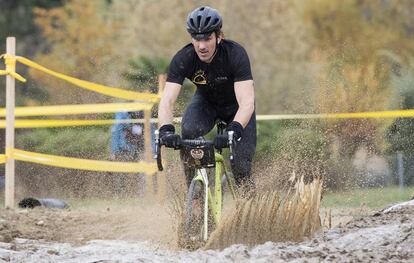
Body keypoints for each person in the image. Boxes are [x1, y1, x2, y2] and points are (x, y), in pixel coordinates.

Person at [157, 6, 256, 193]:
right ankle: (196, 197)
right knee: (188, 130)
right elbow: (167, 100)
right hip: (206, 104)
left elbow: (247, 102)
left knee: (242, 166)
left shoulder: (236, 54)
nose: (202, 46)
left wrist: (234, 129)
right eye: (197, 38)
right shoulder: (184, 58)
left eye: (207, 38)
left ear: (219, 37)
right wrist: (166, 129)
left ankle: (249, 208)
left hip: (238, 109)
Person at [110, 111, 146, 196]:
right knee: (122, 173)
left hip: (138, 148)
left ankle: (139, 194)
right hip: (124, 149)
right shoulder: (122, 115)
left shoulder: (144, 112)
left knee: (139, 172)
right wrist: (114, 151)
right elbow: (116, 133)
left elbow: (149, 131)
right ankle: (119, 194)